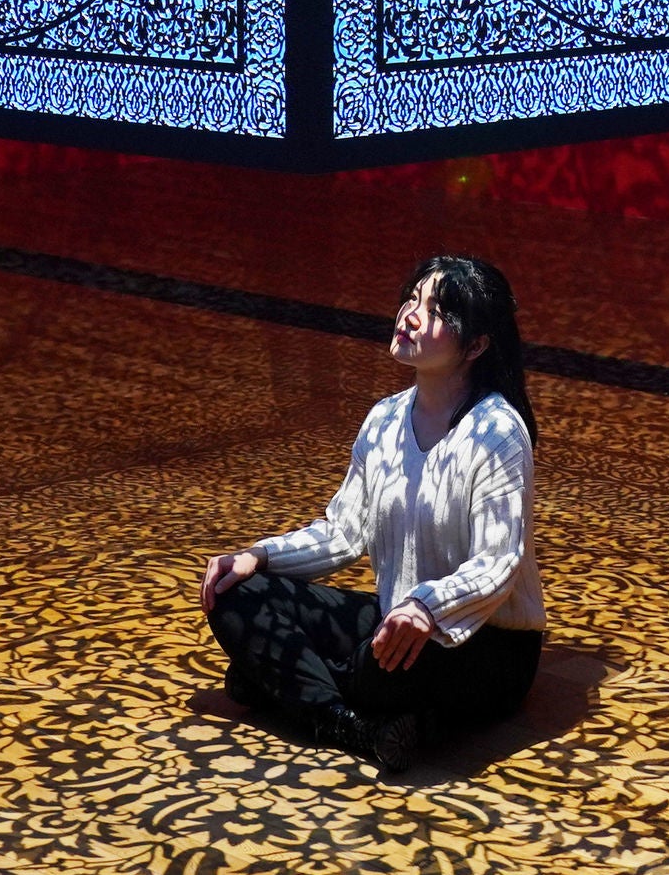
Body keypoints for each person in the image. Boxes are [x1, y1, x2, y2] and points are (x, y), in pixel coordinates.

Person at [197, 254, 546, 774]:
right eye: (412, 298)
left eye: (435, 310)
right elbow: (343, 532)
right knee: (236, 593)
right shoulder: (384, 419)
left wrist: (426, 608)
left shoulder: (498, 433)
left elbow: (498, 563)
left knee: (380, 663)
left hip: (485, 647)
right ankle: (349, 723)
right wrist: (259, 556)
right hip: (397, 621)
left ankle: (288, 686)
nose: (410, 313)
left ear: (475, 345)